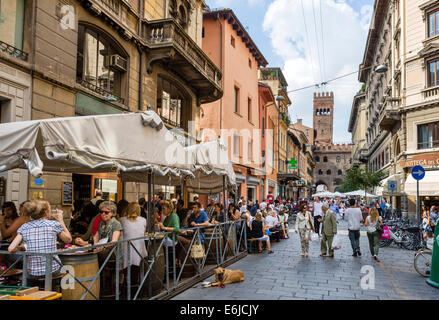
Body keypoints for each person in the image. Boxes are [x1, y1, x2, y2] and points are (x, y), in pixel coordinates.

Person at [8, 200, 72, 278]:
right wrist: (61, 220)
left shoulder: (24, 227)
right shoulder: (53, 225)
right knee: (66, 270)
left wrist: (22, 248)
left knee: (27, 274)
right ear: (46, 212)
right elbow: (68, 239)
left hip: (32, 273)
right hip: (52, 271)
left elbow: (11, 248)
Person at [120, 202, 147, 270]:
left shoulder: (122, 220)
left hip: (126, 249)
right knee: (135, 271)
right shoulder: (143, 220)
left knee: (127, 271)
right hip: (139, 249)